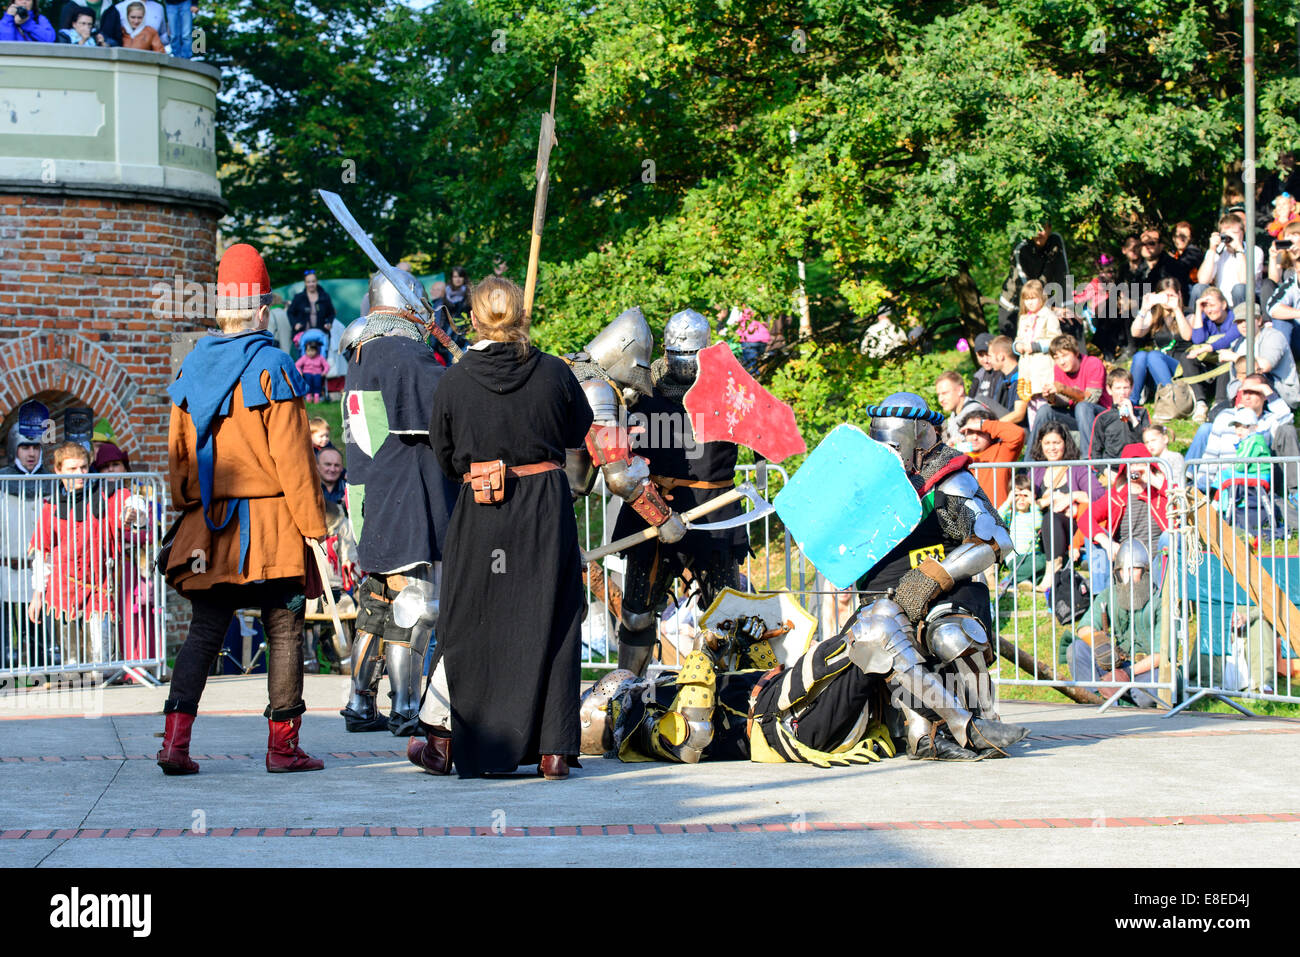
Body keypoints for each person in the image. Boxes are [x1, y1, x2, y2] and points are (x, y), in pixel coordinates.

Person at [406, 276, 592, 780]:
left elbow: (445, 457)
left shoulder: (456, 379)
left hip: (483, 509)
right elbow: (579, 430)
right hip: (545, 511)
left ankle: (452, 745)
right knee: (553, 615)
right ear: (522, 317)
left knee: (470, 619)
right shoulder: (554, 372)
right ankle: (553, 751)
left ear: (473, 319)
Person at [157, 243, 328, 775]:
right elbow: (296, 459)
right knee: (284, 628)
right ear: (261, 312)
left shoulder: (190, 367)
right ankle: (283, 749)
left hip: (212, 527)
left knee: (205, 631)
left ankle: (174, 745)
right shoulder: (273, 364)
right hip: (274, 526)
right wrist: (315, 529)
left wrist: (191, 507)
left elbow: (179, 460)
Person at [851, 392, 1029, 760]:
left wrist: (934, 576)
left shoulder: (948, 477)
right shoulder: (864, 484)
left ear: (917, 436)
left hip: (944, 594)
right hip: (882, 596)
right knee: (886, 643)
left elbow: (996, 539)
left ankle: (983, 719)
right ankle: (922, 732)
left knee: (951, 635)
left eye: (894, 444)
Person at [337, 269, 453, 736]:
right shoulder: (403, 352)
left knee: (378, 599)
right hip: (401, 491)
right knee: (415, 599)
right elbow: (443, 416)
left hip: (372, 490)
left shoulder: (364, 349)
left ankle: (360, 702)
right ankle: (406, 705)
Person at [607, 309, 748, 676]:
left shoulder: (731, 386)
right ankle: (627, 690)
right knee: (637, 617)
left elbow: (764, 434)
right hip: (653, 507)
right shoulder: (640, 385)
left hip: (715, 513)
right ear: (666, 353)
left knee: (727, 622)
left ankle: (729, 696)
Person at [27, 442, 121, 683]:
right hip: (62, 590)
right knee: (71, 666)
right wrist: (38, 595)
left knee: (100, 666)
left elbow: (130, 507)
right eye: (72, 469)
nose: (79, 474)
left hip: (97, 588)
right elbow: (42, 553)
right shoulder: (51, 505)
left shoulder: (103, 495)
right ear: (58, 470)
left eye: (83, 468)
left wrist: (135, 515)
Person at [1069, 540, 1165, 708]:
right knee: (1077, 649)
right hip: (1117, 663)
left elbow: (1161, 654)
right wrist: (1101, 644)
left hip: (1147, 669)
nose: (1127, 574)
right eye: (1122, 569)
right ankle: (1095, 700)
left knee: (1147, 694)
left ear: (1145, 570)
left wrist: (1127, 673)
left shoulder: (1160, 601)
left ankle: (1120, 697)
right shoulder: (1109, 595)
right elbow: (1084, 627)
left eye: (1133, 568)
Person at [1, 405, 51, 671]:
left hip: (40, 571)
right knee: (4, 635)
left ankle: (41, 674)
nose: (31, 453)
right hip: (6, 567)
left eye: (35, 448)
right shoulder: (2, 481)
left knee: (39, 635)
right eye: (25, 447)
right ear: (14, 449)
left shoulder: (52, 482)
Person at [1085, 444, 1171, 596]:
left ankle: (1160, 598)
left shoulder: (1161, 493)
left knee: (1168, 537)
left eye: (1141, 463)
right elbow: (1086, 518)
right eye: (1132, 464)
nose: (1136, 469)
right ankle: (1103, 598)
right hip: (1124, 560)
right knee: (1093, 537)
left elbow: (1184, 504)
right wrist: (1107, 542)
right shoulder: (1116, 495)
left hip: (1156, 561)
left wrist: (1159, 484)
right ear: (1124, 468)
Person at [1028, 423, 1103, 592]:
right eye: (1047, 443)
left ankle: (1052, 572)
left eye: (1056, 443)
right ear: (1040, 444)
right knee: (1048, 518)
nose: (1052, 448)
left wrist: (1072, 496)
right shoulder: (1036, 472)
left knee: (1052, 518)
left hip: (1071, 526)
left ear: (1065, 444)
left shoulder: (1077, 468)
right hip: (1041, 528)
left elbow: (1099, 494)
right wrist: (1043, 502)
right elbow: (1025, 500)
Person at [1033, 334, 1108, 453]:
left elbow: (1091, 399)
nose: (1061, 362)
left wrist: (1063, 388)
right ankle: (1029, 465)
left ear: (1076, 353)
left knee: (1082, 407)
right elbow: (1065, 401)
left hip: (1102, 417)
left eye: (1065, 355)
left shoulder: (1093, 363)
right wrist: (1052, 398)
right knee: (1045, 410)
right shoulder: (1059, 369)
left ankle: (1089, 461)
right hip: (1077, 416)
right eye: (1056, 358)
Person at [997, 223, 1069, 337]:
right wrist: (1053, 310)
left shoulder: (1055, 241)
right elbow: (1028, 292)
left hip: (1042, 303)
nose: (1039, 233)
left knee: (1070, 321)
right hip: (1016, 307)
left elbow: (1063, 276)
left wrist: (1067, 308)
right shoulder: (1021, 248)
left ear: (1049, 228)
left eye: (1043, 228)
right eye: (1035, 229)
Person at [1128, 277, 1191, 405]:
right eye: (1164, 296)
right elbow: (1135, 333)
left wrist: (1177, 309)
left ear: (1179, 295)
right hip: (1157, 369)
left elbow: (1187, 336)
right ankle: (1131, 402)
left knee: (1153, 355)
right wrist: (1144, 309)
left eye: (1171, 296)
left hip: (1180, 368)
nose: (1167, 300)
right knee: (1140, 355)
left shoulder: (1187, 313)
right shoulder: (1155, 316)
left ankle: (1173, 399)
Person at [1181, 287, 1241, 418]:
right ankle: (1200, 402)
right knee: (1186, 357)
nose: (1209, 310)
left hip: (1226, 366)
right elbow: (1197, 339)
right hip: (1209, 364)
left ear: (1224, 304)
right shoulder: (1205, 318)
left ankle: (1219, 402)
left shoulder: (1235, 318)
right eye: (1205, 306)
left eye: (1212, 305)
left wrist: (1205, 348)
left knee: (1225, 357)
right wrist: (1198, 308)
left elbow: (1227, 340)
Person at [952, 403, 1025, 509]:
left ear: (990, 433)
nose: (975, 437)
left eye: (980, 432)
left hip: (997, 519)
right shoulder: (957, 453)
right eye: (970, 432)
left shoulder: (1001, 451)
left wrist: (984, 424)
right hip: (968, 520)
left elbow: (1018, 434)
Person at [1232, 306, 1300, 409]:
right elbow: (1233, 382)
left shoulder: (1274, 336)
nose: (1243, 325)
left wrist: (1236, 357)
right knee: (1215, 414)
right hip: (1246, 395)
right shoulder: (1237, 344)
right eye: (1240, 322)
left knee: (1257, 378)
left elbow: (1264, 366)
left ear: (1259, 320)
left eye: (1247, 320)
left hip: (1280, 393)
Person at [1194, 214, 1263, 309]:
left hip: (1244, 301)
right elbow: (1203, 280)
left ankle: (1242, 322)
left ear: (1242, 233)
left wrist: (1239, 249)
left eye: (1234, 233)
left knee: (1239, 288)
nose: (1229, 237)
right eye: (1226, 233)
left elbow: (1245, 281)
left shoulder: (1255, 251)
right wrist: (1212, 250)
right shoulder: (1217, 251)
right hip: (1220, 304)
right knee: (1198, 288)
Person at [998, 473, 1045, 591]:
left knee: (1041, 567)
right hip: (1015, 556)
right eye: (1017, 495)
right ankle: (1008, 580)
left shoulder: (1034, 513)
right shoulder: (1010, 515)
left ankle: (1022, 581)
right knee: (1041, 563)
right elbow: (996, 520)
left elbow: (1038, 523)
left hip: (1032, 554)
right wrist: (1008, 501)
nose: (1021, 499)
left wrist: (1033, 503)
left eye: (1025, 495)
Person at [1091, 368, 1150, 462]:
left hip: (1136, 466)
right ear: (1109, 390)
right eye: (1118, 388)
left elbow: (1147, 444)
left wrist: (1133, 419)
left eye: (1126, 388)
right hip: (1113, 468)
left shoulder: (1141, 413)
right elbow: (1095, 451)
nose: (1122, 393)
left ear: (1131, 389)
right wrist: (1105, 470)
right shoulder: (1103, 418)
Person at [287, 269, 336, 336]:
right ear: (305, 283)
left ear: (317, 282)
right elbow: (290, 312)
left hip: (322, 333)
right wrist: (295, 324)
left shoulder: (325, 296)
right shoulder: (299, 297)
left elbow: (331, 313)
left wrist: (329, 323)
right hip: (302, 334)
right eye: (308, 282)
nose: (311, 284)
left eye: (313, 281)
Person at [726, 305, 771, 375]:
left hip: (749, 340)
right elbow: (767, 324)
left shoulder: (741, 313)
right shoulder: (759, 311)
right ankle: (759, 375)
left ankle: (754, 378)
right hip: (764, 340)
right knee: (758, 362)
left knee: (751, 365)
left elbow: (734, 326)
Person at [294, 338, 329, 403]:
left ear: (316, 351)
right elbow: (297, 365)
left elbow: (326, 366)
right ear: (306, 351)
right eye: (308, 351)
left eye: (312, 351)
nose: (310, 353)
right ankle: (308, 395)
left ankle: (317, 395)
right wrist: (300, 372)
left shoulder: (320, 357)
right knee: (308, 381)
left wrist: (324, 372)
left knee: (317, 382)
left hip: (317, 374)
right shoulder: (304, 358)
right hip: (307, 373)